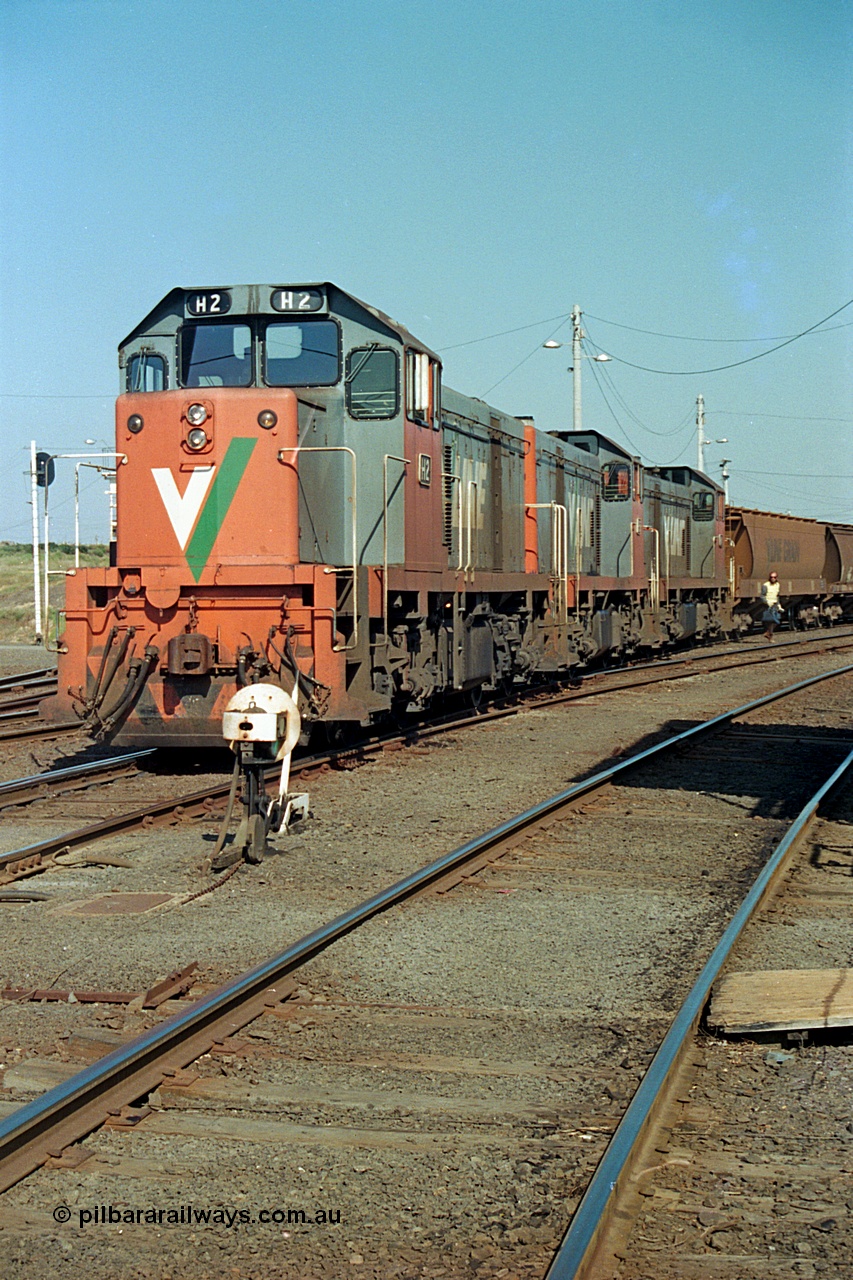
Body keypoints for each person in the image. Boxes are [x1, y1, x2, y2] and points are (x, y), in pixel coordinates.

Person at [760, 570, 781, 642]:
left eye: (774, 577)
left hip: (774, 604)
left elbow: (777, 595)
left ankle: (768, 633)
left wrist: (779, 604)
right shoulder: (765, 585)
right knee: (771, 620)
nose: (773, 578)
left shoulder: (777, 585)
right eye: (771, 577)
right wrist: (766, 602)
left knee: (776, 620)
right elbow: (762, 596)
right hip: (768, 605)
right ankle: (770, 636)